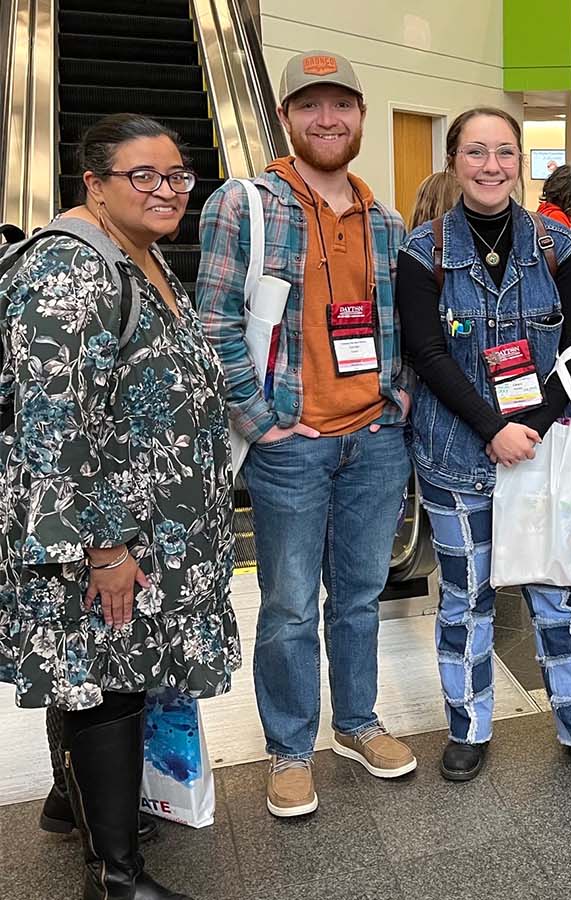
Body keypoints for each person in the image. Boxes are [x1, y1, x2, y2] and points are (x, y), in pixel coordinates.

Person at [0, 113, 239, 900]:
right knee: (109, 677)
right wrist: (103, 549)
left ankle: (74, 804)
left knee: (99, 670)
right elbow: (54, 421)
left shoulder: (141, 254)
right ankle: (119, 877)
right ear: (93, 184)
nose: (167, 190)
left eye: (177, 176)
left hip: (148, 525)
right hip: (106, 535)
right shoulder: (70, 269)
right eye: (144, 176)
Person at [197, 50, 416, 818]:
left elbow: (400, 327)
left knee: (359, 596)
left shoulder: (385, 220)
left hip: (375, 441)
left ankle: (356, 722)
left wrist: (397, 403)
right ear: (287, 117)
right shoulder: (244, 204)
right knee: (289, 602)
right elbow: (216, 320)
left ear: (360, 114)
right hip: (291, 446)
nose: (329, 119)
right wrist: (261, 422)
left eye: (343, 105)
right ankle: (291, 748)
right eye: (311, 105)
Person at [397, 107, 571, 791]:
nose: (491, 165)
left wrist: (537, 421)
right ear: (454, 161)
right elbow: (427, 353)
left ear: (519, 159)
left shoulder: (557, 246)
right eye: (475, 152)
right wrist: (491, 428)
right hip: (455, 457)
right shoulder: (423, 252)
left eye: (503, 152)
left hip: (543, 455)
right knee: (466, 599)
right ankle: (467, 727)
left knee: (557, 598)